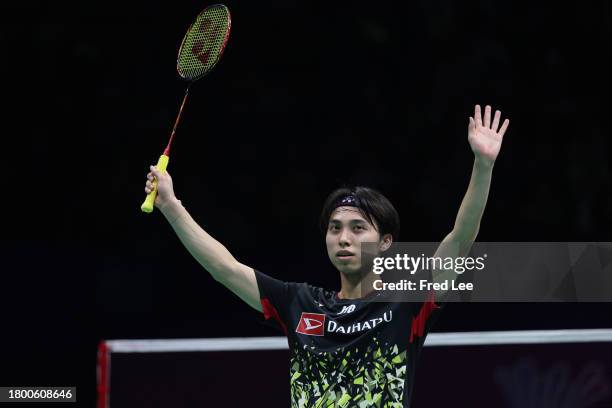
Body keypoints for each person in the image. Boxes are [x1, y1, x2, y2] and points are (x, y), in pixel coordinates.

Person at [143, 104, 510, 407]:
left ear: (385, 243)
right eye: (335, 228)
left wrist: (483, 165)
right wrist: (172, 207)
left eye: (358, 228)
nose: (343, 238)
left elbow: (460, 239)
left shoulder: (405, 304)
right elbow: (224, 268)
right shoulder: (299, 303)